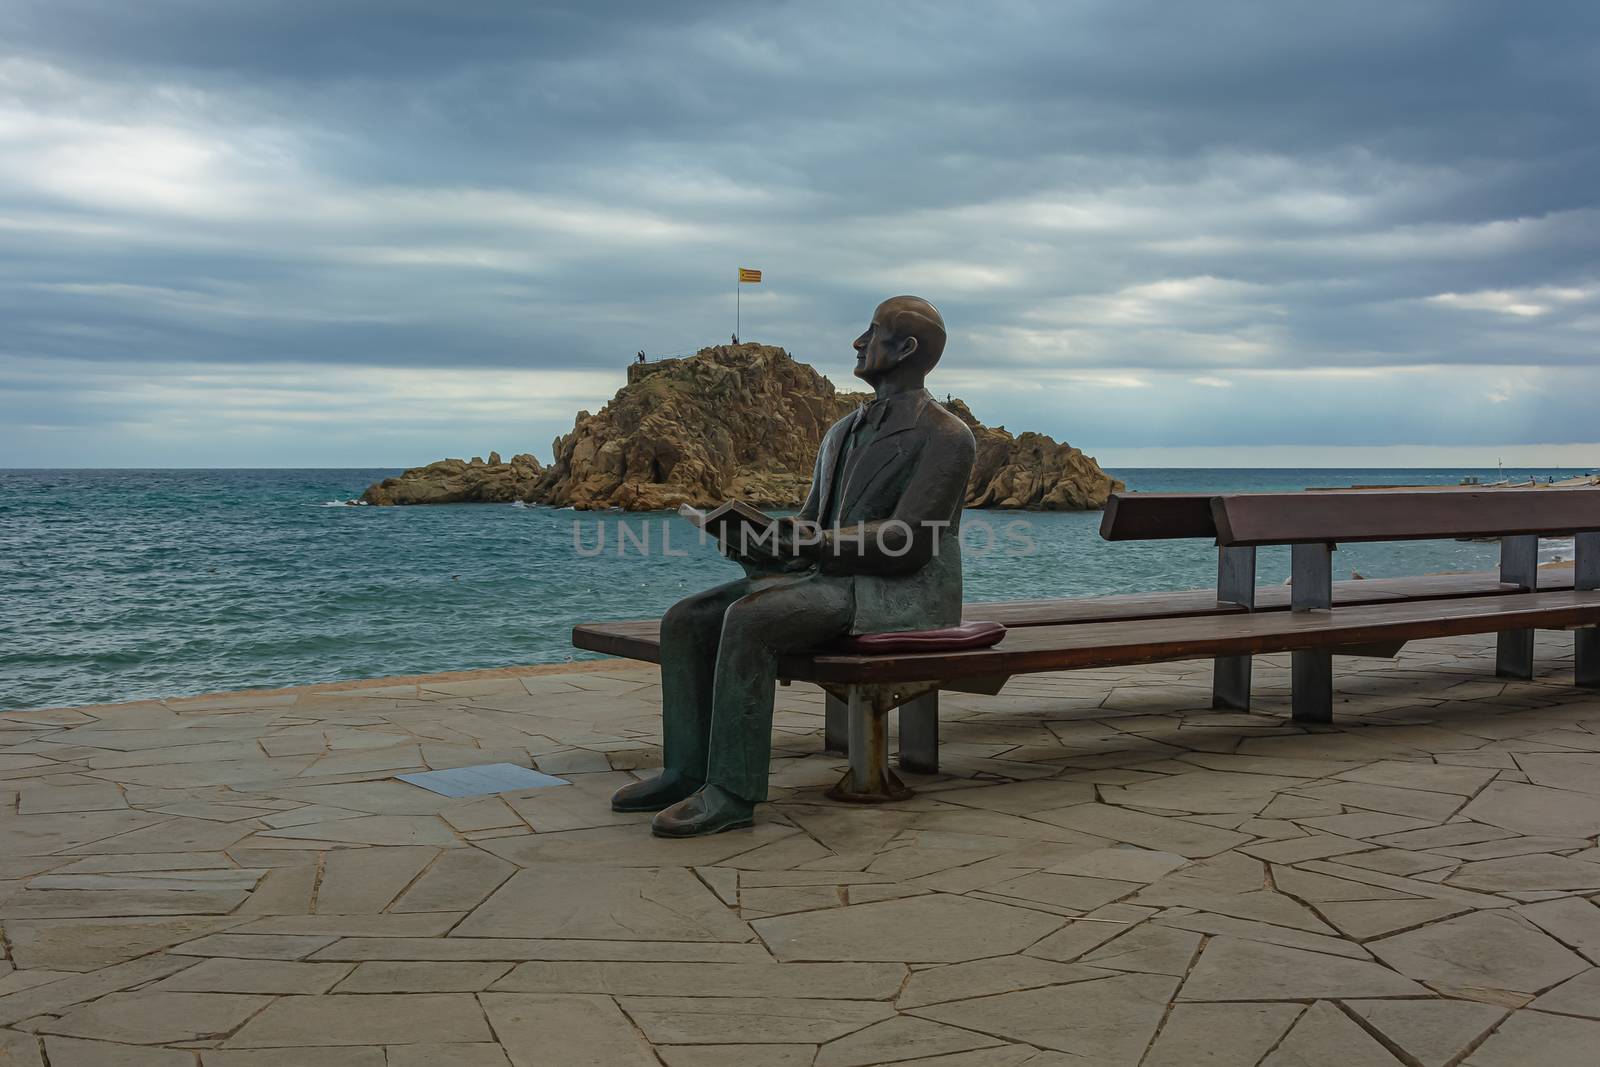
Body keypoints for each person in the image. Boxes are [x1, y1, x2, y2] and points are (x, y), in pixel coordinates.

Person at [611, 296, 976, 836]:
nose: (858, 343)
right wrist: (761, 540)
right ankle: (684, 770)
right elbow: (810, 519)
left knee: (752, 618)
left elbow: (911, 540)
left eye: (870, 333)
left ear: (906, 349)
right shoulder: (839, 433)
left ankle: (731, 793)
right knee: (685, 620)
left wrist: (812, 545)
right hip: (830, 576)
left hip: (896, 590)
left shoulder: (947, 436)